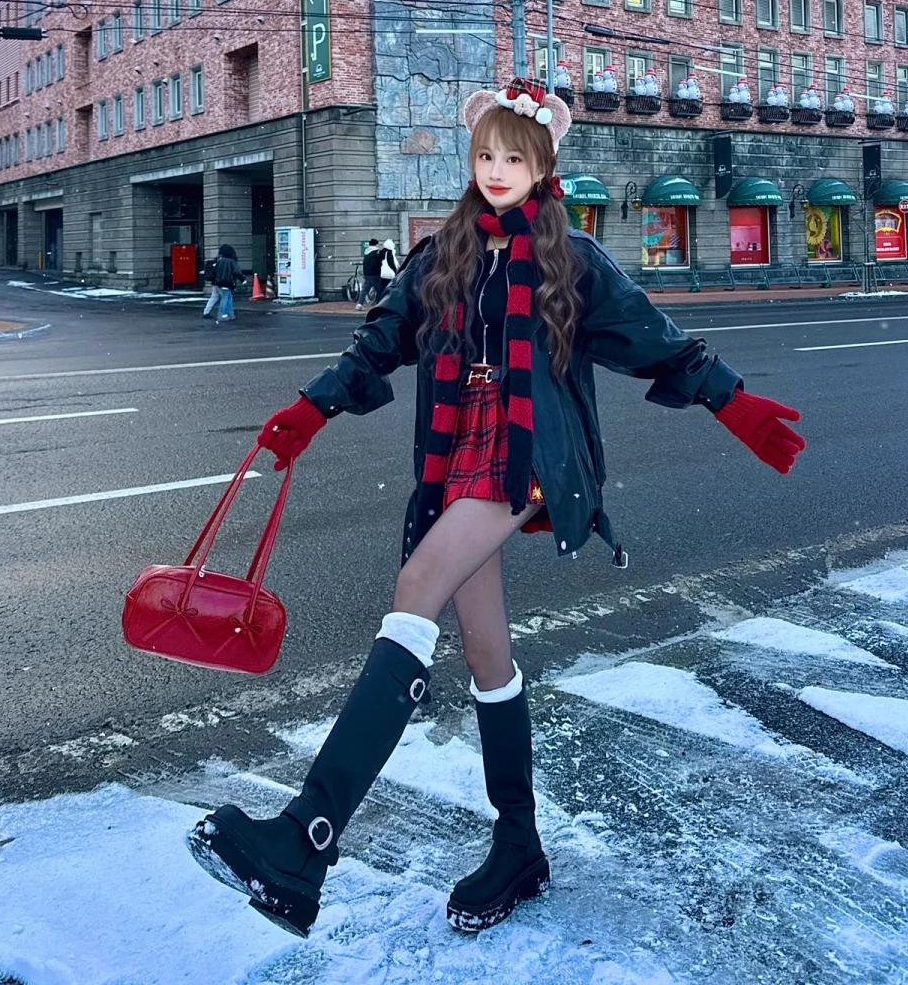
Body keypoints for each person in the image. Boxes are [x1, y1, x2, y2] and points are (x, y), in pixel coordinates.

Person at [187, 77, 805, 938]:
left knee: (416, 588)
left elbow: (653, 339)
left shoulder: (572, 259)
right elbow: (379, 344)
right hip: (453, 456)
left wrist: (732, 401)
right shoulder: (442, 255)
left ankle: (305, 840)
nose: (496, 169)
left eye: (514, 156)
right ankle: (519, 846)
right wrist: (313, 408)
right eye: (486, 154)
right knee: (486, 653)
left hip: (529, 457)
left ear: (542, 164)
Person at [202, 244, 244, 324]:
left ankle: (206, 312)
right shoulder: (230, 261)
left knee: (214, 297)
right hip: (225, 283)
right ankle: (224, 315)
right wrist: (242, 279)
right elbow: (237, 271)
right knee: (226, 298)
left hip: (216, 282)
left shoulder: (218, 260)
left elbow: (214, 272)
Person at [356, 237, 382, 311]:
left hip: (367, 274)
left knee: (365, 289)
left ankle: (359, 304)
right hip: (375, 274)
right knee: (379, 289)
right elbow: (378, 264)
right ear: (376, 244)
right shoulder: (376, 253)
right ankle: (380, 305)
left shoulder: (367, 252)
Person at [374, 237, 399, 302]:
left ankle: (379, 301)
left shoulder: (382, 251)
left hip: (383, 274)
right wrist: (395, 271)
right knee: (391, 287)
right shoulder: (389, 252)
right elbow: (391, 263)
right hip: (390, 274)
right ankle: (389, 301)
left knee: (382, 288)